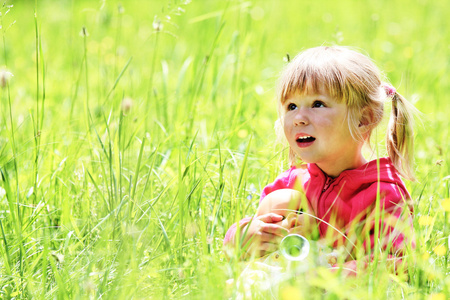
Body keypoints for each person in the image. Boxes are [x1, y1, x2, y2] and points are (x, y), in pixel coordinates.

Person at [224, 46, 416, 274]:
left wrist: (326, 278)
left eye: (317, 104)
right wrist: (246, 236)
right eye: (291, 106)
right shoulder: (290, 183)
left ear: (363, 119)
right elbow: (234, 249)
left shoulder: (381, 194)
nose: (298, 118)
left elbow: (396, 263)